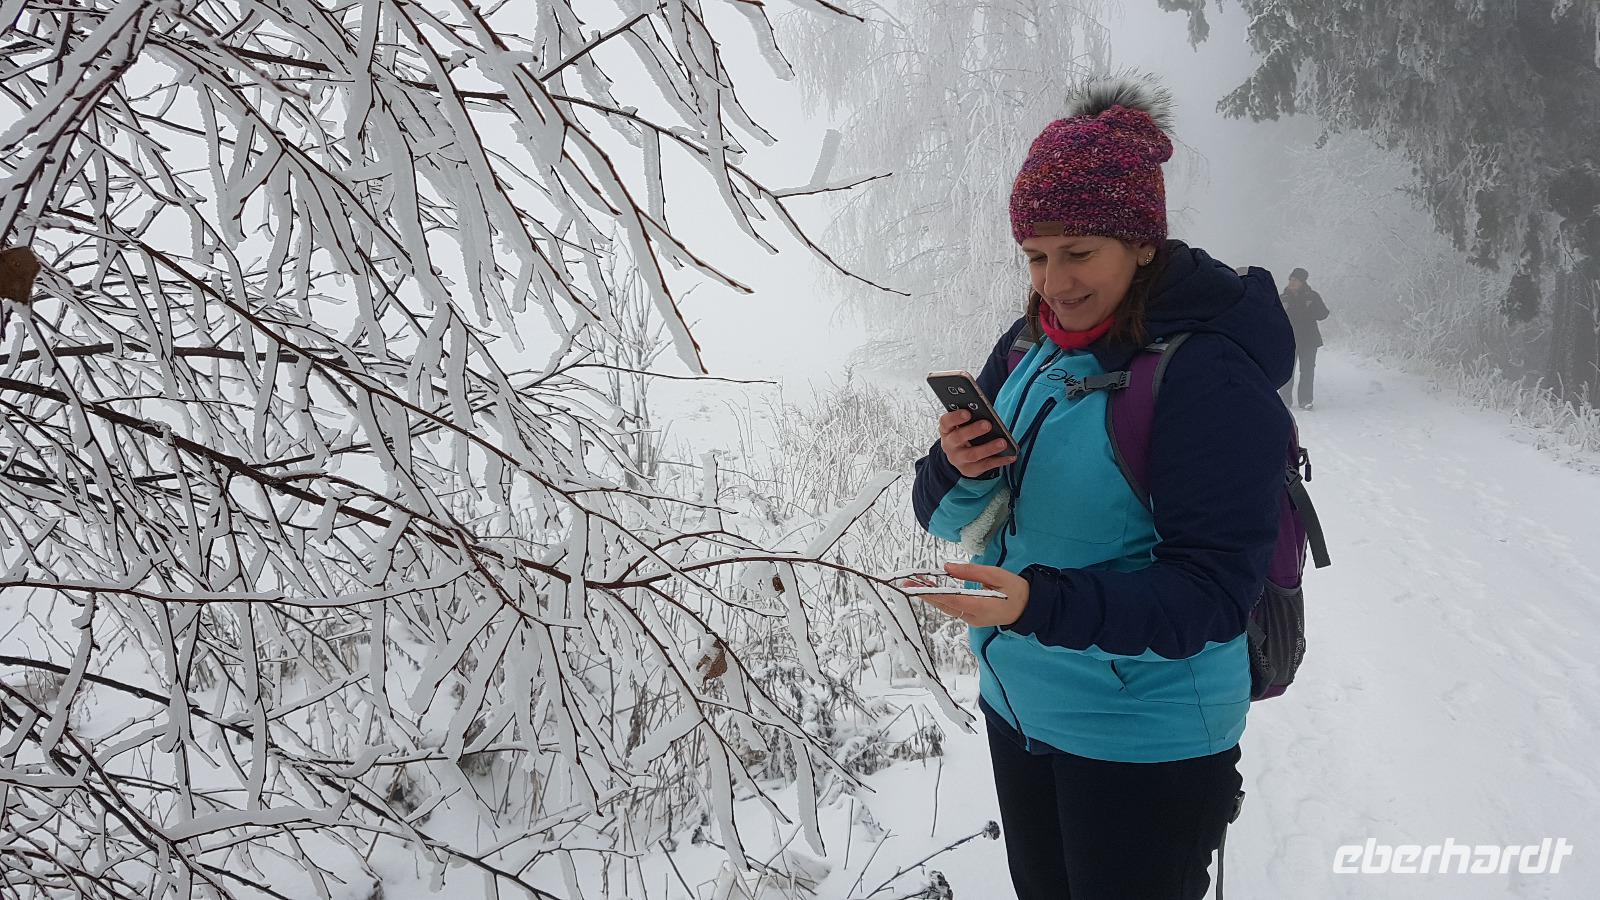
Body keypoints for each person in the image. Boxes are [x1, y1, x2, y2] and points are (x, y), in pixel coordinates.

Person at [907, 75, 1294, 900]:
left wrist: (1033, 605)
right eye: (1037, 256)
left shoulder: (1207, 377)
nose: (1055, 282)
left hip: (1145, 740)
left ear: (1143, 243)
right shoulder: (1026, 349)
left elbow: (1211, 595)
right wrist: (956, 465)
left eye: (1079, 253)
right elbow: (945, 517)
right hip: (1021, 707)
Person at [1279, 267, 1329, 409]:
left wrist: (1311, 308)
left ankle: (1305, 400)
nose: (1291, 282)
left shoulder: (1312, 297)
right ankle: (1285, 400)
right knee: (1287, 371)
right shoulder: (1283, 298)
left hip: (1309, 339)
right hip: (1288, 341)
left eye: (1295, 280)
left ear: (1302, 281)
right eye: (1290, 279)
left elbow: (1324, 314)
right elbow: (1272, 317)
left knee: (1307, 370)